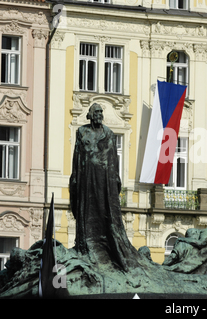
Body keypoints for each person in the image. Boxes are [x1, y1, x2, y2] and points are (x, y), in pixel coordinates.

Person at [69, 103, 138, 272]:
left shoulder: (109, 133)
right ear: (90, 115)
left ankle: (106, 247)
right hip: (86, 178)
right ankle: (86, 244)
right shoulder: (82, 132)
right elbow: (77, 156)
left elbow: (113, 158)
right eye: (97, 112)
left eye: (101, 112)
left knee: (104, 210)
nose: (100, 114)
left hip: (104, 178)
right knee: (87, 210)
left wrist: (115, 179)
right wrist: (75, 177)